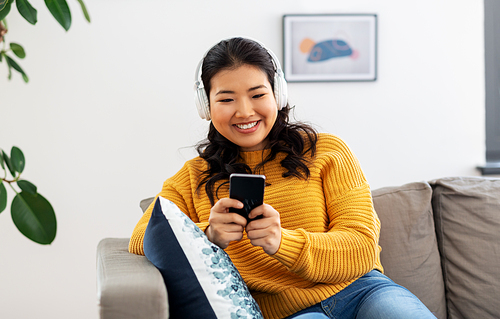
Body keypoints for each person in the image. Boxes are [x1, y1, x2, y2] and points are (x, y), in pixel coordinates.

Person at [129, 37, 436, 319]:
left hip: (364, 291)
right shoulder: (194, 176)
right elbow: (141, 238)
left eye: (257, 94)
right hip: (288, 313)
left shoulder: (327, 152)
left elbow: (362, 248)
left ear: (277, 93)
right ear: (205, 105)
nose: (245, 111)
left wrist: (282, 242)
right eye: (226, 100)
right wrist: (209, 235)